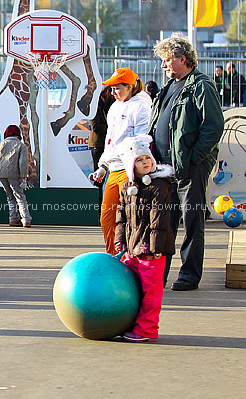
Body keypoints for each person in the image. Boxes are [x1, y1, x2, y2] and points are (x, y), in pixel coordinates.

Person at [150, 34, 224, 291]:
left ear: (182, 59)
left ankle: (189, 275)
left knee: (192, 221)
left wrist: (194, 159)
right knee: (163, 224)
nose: (163, 66)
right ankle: (159, 275)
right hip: (164, 169)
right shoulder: (169, 87)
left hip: (190, 169)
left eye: (167, 60)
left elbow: (213, 127)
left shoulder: (201, 85)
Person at [114, 135, 175, 342]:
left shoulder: (159, 186)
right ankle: (131, 323)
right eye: (139, 160)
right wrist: (120, 241)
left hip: (151, 251)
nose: (146, 162)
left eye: (147, 158)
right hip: (132, 250)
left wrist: (155, 247)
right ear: (131, 165)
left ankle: (147, 329)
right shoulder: (126, 188)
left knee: (151, 291)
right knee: (132, 290)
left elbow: (160, 219)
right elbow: (121, 216)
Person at [88, 67, 151, 254]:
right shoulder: (115, 106)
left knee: (129, 218)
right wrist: (103, 166)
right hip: (113, 170)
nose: (113, 92)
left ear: (130, 86)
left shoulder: (142, 106)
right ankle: (113, 255)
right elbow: (110, 140)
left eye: (118, 88)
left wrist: (134, 168)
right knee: (106, 217)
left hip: (129, 169)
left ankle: (131, 255)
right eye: (112, 88)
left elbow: (142, 139)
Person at [0, 124, 32, 227]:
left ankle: (13, 218)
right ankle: (26, 219)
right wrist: (23, 177)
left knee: (10, 196)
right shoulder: (21, 146)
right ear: (18, 135)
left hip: (0, 173)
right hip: (14, 173)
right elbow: (23, 162)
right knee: (19, 196)